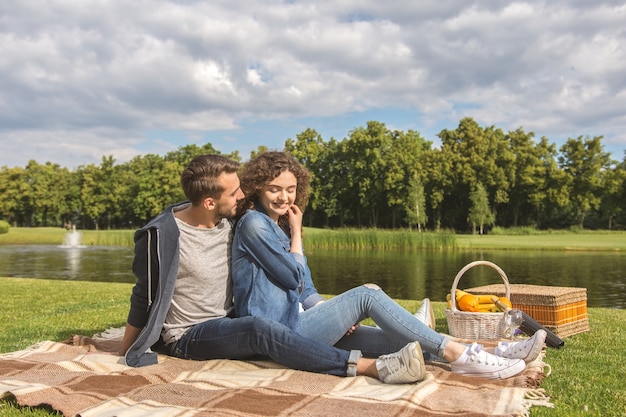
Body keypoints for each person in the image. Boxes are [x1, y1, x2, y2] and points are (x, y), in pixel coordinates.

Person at [231, 151, 546, 380]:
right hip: (275, 334)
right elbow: (291, 275)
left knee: (404, 342)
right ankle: (461, 356)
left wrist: (332, 315)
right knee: (367, 294)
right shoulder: (254, 225)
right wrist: (298, 232)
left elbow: (306, 288)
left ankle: (493, 353)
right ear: (257, 187)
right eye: (275, 189)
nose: (285, 197)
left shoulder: (278, 225)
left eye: (290, 189)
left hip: (299, 324)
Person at [116, 154, 426, 385]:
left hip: (230, 322)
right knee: (258, 328)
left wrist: (323, 308)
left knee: (388, 339)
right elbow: (143, 295)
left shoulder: (236, 221)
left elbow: (295, 278)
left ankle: (427, 343)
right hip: (188, 336)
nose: (243, 196)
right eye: (235, 192)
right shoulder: (160, 236)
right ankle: (372, 368)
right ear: (209, 202)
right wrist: (130, 347)